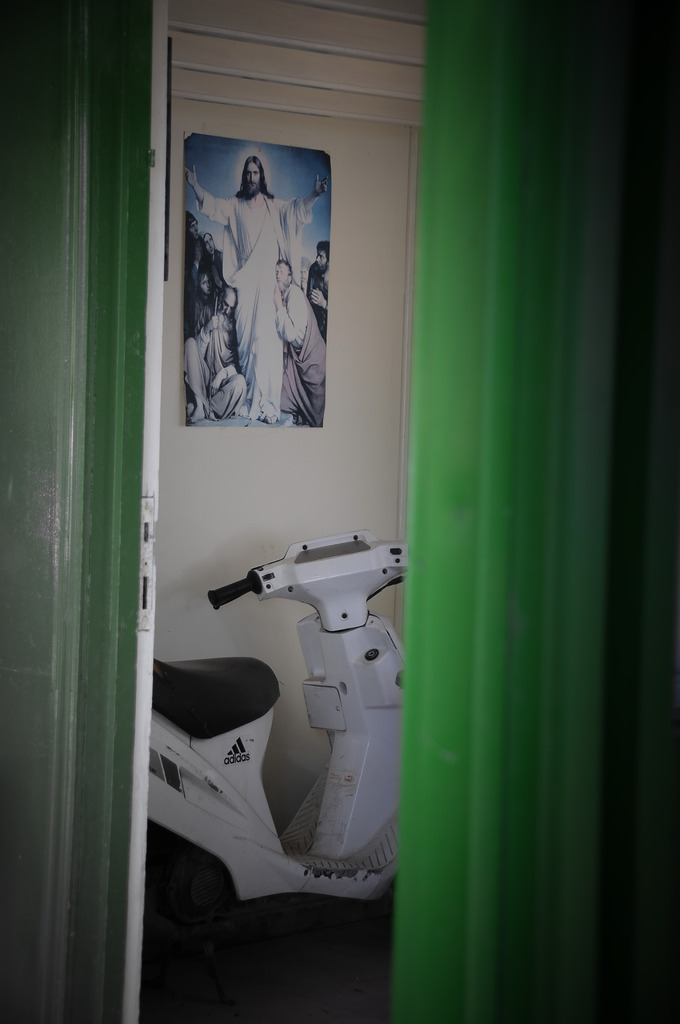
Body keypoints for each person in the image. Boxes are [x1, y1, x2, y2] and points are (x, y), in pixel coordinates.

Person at [185, 155, 328, 424]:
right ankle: (251, 399)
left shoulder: (274, 207)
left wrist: (315, 194)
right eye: (248, 173)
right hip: (247, 286)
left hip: (267, 284)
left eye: (255, 173)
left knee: (268, 344)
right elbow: (213, 206)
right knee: (247, 342)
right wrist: (195, 185)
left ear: (261, 176)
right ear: (244, 176)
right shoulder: (235, 205)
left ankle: (269, 404)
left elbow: (296, 211)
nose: (251, 177)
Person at [273, 259, 326, 428]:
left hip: (312, 359)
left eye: (281, 271)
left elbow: (290, 333)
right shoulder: (286, 295)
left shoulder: (294, 293)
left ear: (290, 277)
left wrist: (279, 306)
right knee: (282, 400)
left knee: (317, 411)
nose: (277, 274)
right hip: (297, 360)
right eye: (276, 271)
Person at [184, 286, 246, 424]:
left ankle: (205, 408)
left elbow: (237, 365)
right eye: (225, 304)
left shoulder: (235, 325)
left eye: (231, 308)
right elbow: (196, 354)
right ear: (221, 298)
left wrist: (221, 375)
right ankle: (199, 404)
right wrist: (207, 329)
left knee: (240, 383)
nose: (227, 310)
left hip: (221, 384)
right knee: (189, 343)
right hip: (203, 376)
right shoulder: (207, 311)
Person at [306, 240, 329, 341]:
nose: (316, 259)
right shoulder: (314, 269)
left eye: (321, 256)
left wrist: (324, 303)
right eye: (317, 255)